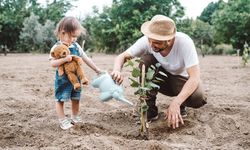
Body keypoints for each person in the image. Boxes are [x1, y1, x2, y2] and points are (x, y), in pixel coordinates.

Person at [111, 14, 207, 129]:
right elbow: (122, 56)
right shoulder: (148, 41)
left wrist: (176, 103)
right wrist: (117, 70)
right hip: (160, 79)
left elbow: (194, 78)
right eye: (150, 40)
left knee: (197, 97)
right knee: (145, 60)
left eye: (157, 42)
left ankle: (181, 105)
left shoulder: (184, 42)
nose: (151, 45)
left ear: (169, 39)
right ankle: (149, 109)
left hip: (180, 81)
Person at [49, 16, 102, 130]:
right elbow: (52, 63)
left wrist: (97, 69)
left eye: (76, 37)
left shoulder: (76, 46)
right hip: (63, 80)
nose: (74, 39)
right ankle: (63, 120)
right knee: (60, 99)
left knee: (76, 98)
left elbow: (86, 59)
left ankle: (75, 117)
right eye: (72, 36)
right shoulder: (56, 47)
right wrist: (64, 59)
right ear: (63, 33)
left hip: (76, 80)